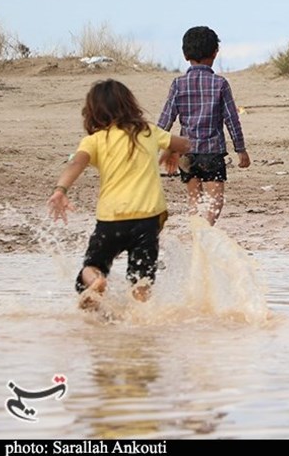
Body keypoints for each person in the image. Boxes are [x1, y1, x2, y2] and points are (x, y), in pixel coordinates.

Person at [47, 79, 190, 309]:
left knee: (91, 267)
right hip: (147, 220)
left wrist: (60, 190)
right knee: (141, 281)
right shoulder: (147, 132)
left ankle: (96, 281)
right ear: (129, 105)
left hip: (111, 220)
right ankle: (140, 319)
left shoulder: (95, 140)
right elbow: (184, 143)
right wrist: (171, 150)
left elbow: (75, 164)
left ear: (93, 111)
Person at [158, 26, 251, 226]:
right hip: (212, 152)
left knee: (194, 199)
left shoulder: (178, 84)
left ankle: (196, 231)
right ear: (215, 53)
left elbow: (166, 118)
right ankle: (205, 230)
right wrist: (240, 149)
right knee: (215, 201)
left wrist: (155, 143)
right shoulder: (220, 84)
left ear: (185, 55)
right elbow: (231, 119)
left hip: (186, 152)